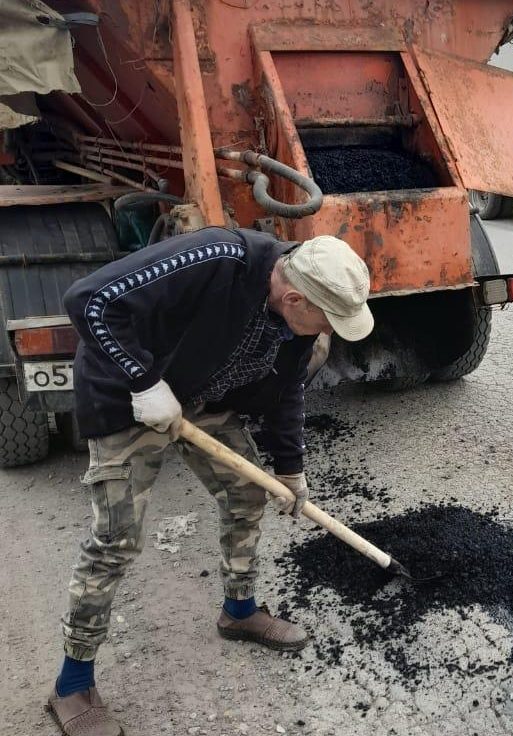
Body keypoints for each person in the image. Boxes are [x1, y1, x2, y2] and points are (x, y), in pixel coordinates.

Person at [48, 228, 374, 736]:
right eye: (326, 318)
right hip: (132, 398)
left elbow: (287, 388)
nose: (326, 330)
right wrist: (143, 380)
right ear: (293, 297)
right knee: (116, 540)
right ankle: (72, 684)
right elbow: (88, 301)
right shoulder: (216, 258)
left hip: (204, 398)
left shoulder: (298, 320)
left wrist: (291, 468)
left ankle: (239, 611)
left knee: (249, 494)